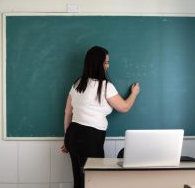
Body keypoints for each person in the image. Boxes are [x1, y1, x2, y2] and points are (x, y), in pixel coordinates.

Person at [60, 46, 140, 188]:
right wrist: (134, 93)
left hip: (72, 134)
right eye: (106, 62)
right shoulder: (105, 86)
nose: (108, 66)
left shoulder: (77, 84)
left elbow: (67, 112)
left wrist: (66, 139)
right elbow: (124, 107)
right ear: (98, 63)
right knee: (94, 181)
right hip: (90, 137)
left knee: (79, 180)